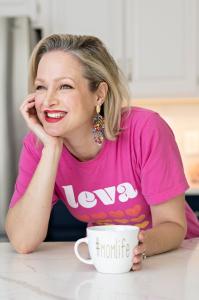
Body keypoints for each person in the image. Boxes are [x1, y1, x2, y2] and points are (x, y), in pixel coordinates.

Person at [5, 33, 199, 271]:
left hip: (177, 260)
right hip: (111, 260)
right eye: (41, 87)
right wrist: (52, 149)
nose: (48, 100)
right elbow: (23, 241)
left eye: (64, 86)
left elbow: (173, 225)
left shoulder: (145, 130)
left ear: (99, 93)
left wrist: (135, 247)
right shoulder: (39, 146)